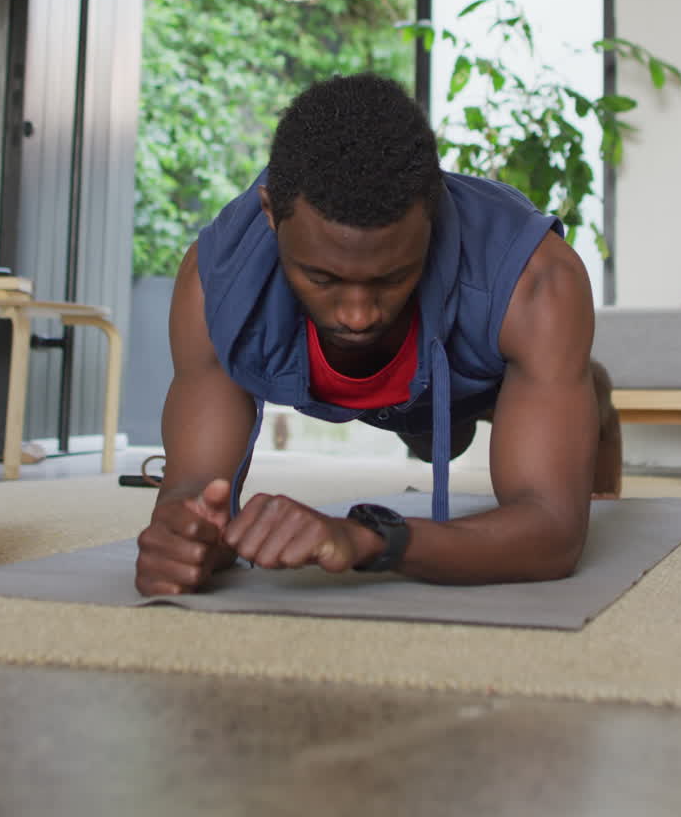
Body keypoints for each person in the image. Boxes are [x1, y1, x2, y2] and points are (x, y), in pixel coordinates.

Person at [136, 73, 621, 596]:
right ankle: (429, 415)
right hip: (398, 385)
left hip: (474, 386)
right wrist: (183, 535)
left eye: (390, 277)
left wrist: (372, 538)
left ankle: (586, 395)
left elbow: (550, 534)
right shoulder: (218, 284)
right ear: (271, 215)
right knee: (431, 436)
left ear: (431, 221)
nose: (358, 315)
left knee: (483, 434)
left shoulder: (535, 280)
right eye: (322, 278)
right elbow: (191, 486)